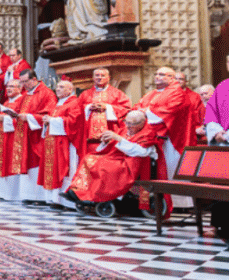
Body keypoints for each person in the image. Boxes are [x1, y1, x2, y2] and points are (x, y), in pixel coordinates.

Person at [64, 110, 158, 204]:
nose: (128, 126)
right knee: (88, 159)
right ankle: (78, 191)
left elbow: (142, 152)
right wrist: (106, 142)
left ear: (142, 123)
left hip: (132, 163)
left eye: (131, 124)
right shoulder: (126, 129)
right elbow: (114, 144)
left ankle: (93, 197)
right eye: (126, 122)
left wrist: (118, 138)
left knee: (102, 167)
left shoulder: (148, 133)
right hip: (117, 158)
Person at [11, 69, 57, 204]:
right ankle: (28, 195)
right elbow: (18, 110)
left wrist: (29, 117)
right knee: (27, 163)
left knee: (36, 164)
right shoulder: (26, 94)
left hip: (37, 136)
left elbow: (49, 115)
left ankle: (39, 197)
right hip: (24, 134)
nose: (24, 85)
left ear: (34, 79)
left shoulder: (47, 93)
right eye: (22, 82)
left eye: (26, 81)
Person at [38, 80, 84, 210]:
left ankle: (66, 201)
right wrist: (47, 122)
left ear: (70, 90)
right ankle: (53, 198)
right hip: (52, 142)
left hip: (65, 143)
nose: (57, 89)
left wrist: (52, 120)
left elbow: (73, 122)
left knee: (64, 170)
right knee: (52, 170)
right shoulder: (58, 104)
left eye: (61, 87)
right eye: (57, 86)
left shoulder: (74, 103)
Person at [78, 68, 131, 157]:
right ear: (93, 77)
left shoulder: (117, 93)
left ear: (109, 77)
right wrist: (88, 107)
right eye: (97, 75)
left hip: (111, 133)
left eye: (103, 75)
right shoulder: (85, 94)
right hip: (88, 137)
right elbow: (76, 110)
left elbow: (126, 108)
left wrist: (107, 107)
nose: (100, 78)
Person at [0, 80, 25, 202]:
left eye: (12, 87)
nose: (8, 89)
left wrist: (2, 118)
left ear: (20, 88)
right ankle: (2, 192)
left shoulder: (22, 100)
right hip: (2, 137)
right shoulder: (6, 102)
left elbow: (20, 119)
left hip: (13, 139)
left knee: (11, 162)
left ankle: (12, 194)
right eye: (7, 86)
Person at [204, 54, 229, 146]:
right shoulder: (222, 86)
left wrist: (227, 136)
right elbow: (211, 112)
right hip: (222, 140)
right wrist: (216, 132)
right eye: (228, 62)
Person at [176, 72, 205, 149]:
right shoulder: (167, 96)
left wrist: (200, 128)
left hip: (192, 132)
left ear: (186, 81)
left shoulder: (195, 97)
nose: (178, 81)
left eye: (181, 79)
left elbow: (202, 114)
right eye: (176, 79)